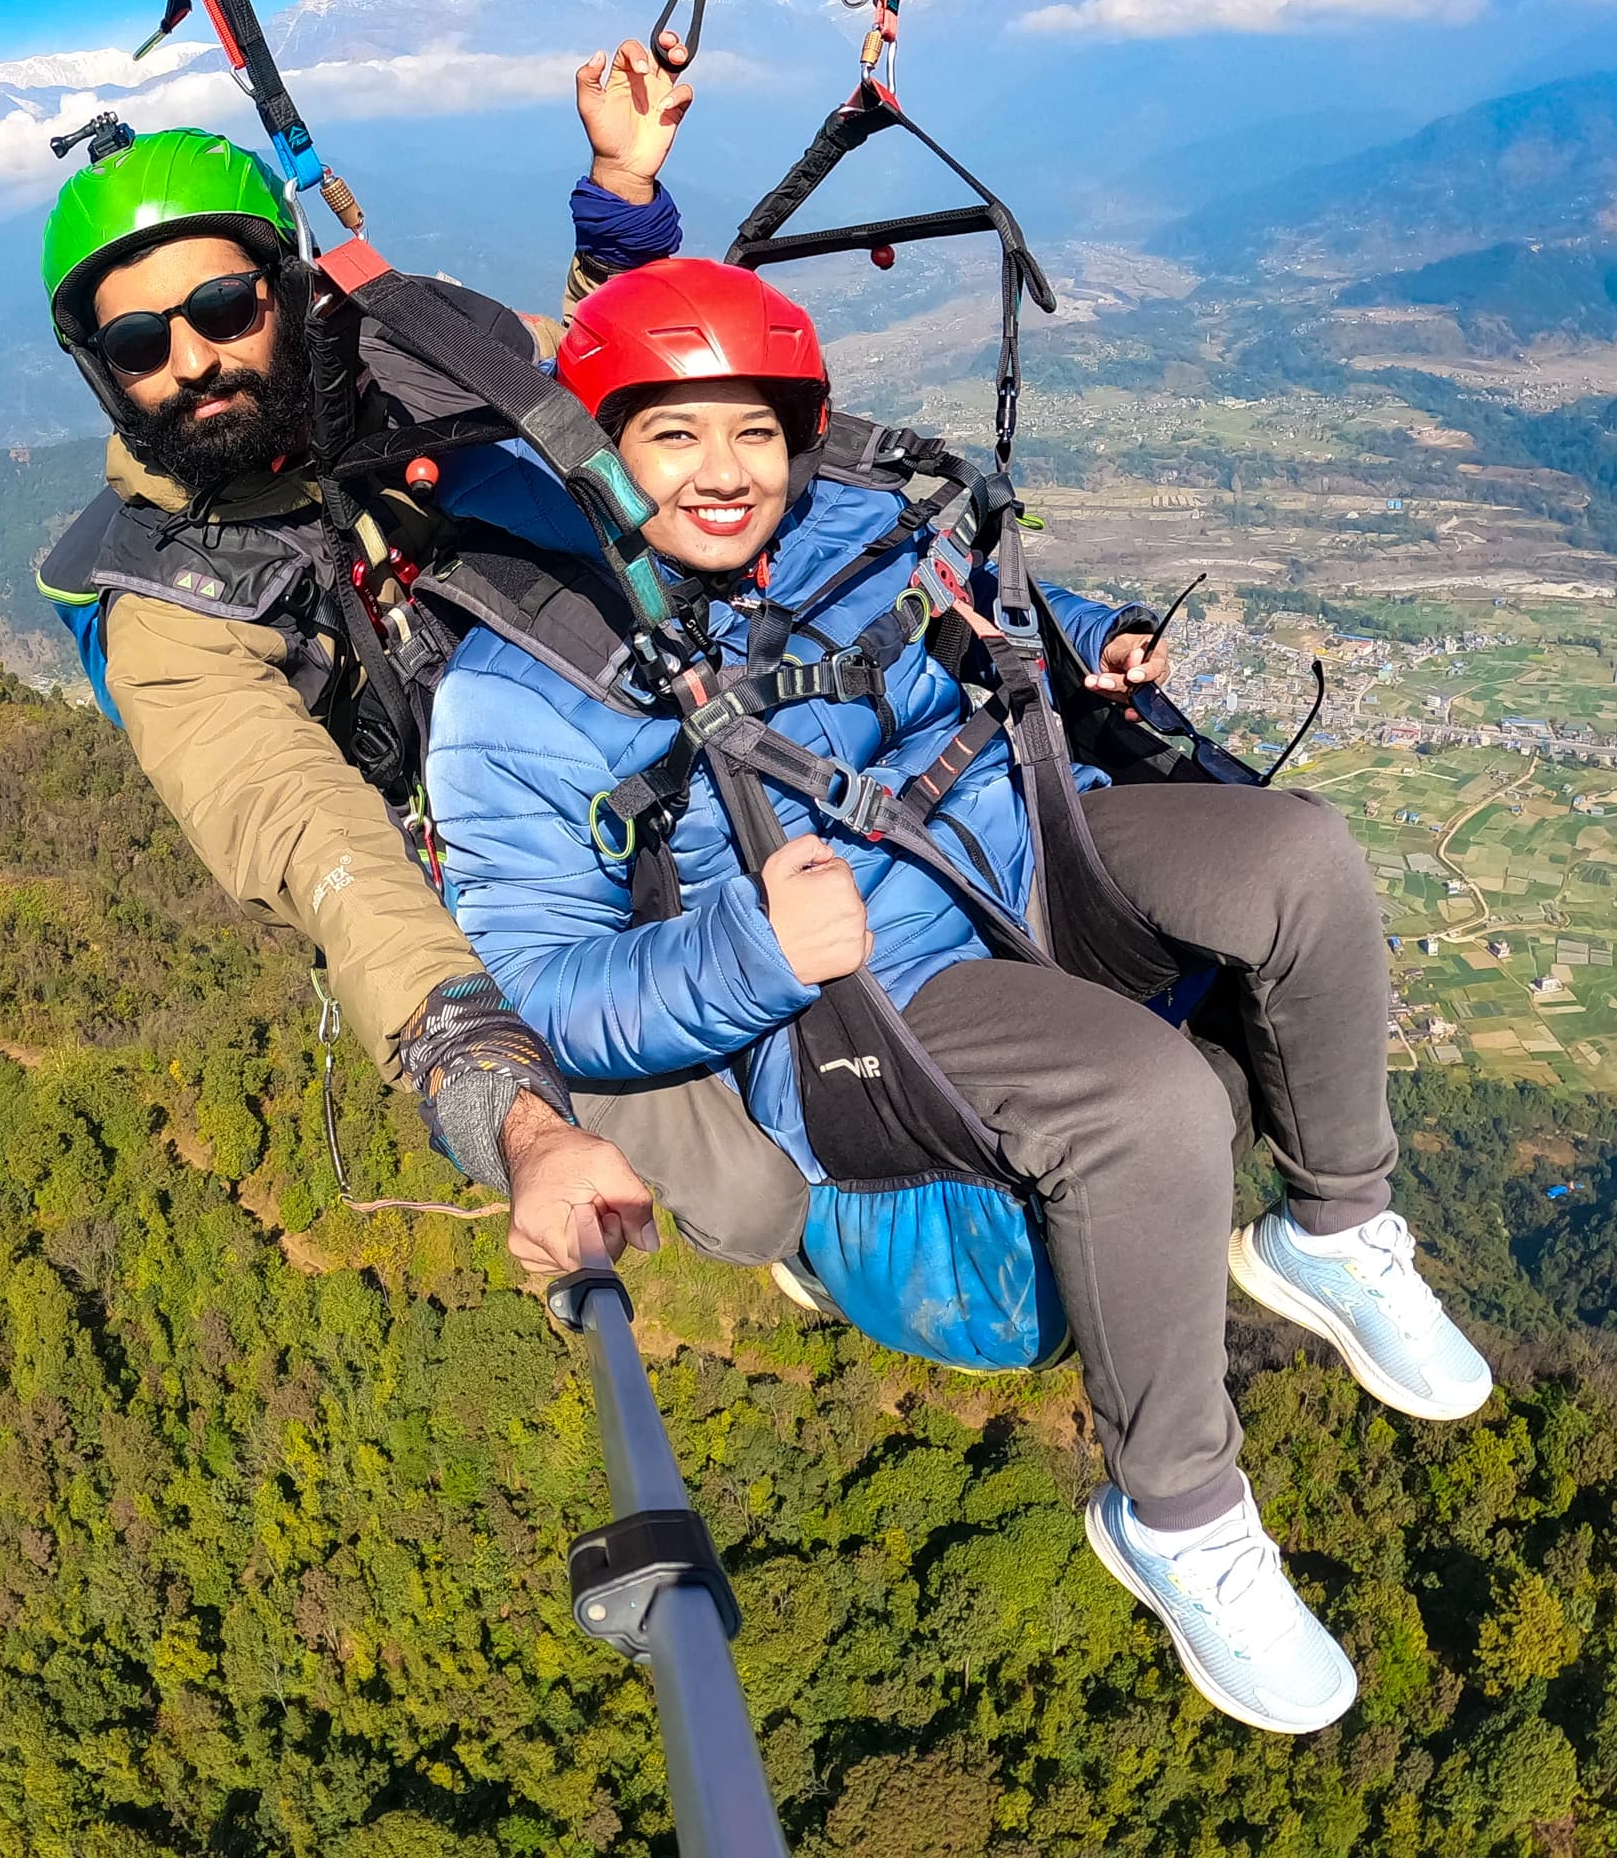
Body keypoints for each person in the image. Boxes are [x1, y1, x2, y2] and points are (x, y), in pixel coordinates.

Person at [418, 257, 1495, 1735]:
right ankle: (1177, 1515)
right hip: (864, 1000)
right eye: (673, 435)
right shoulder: (521, 691)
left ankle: (1336, 1230)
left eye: (757, 431)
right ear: (601, 451)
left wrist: (1092, 637)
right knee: (1148, 1104)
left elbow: (981, 615)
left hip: (1023, 845)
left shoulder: (850, 521)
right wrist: (754, 955)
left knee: (1299, 857)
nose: (727, 474)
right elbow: (552, 989)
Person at [35, 44, 807, 1287]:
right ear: (101, 370)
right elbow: (311, 838)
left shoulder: (398, 341)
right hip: (488, 904)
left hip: (631, 735)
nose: (192, 360)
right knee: (761, 1196)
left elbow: (580, 385)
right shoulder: (167, 616)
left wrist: (621, 199)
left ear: (286, 290)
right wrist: (505, 1103)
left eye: (224, 309)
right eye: (138, 342)